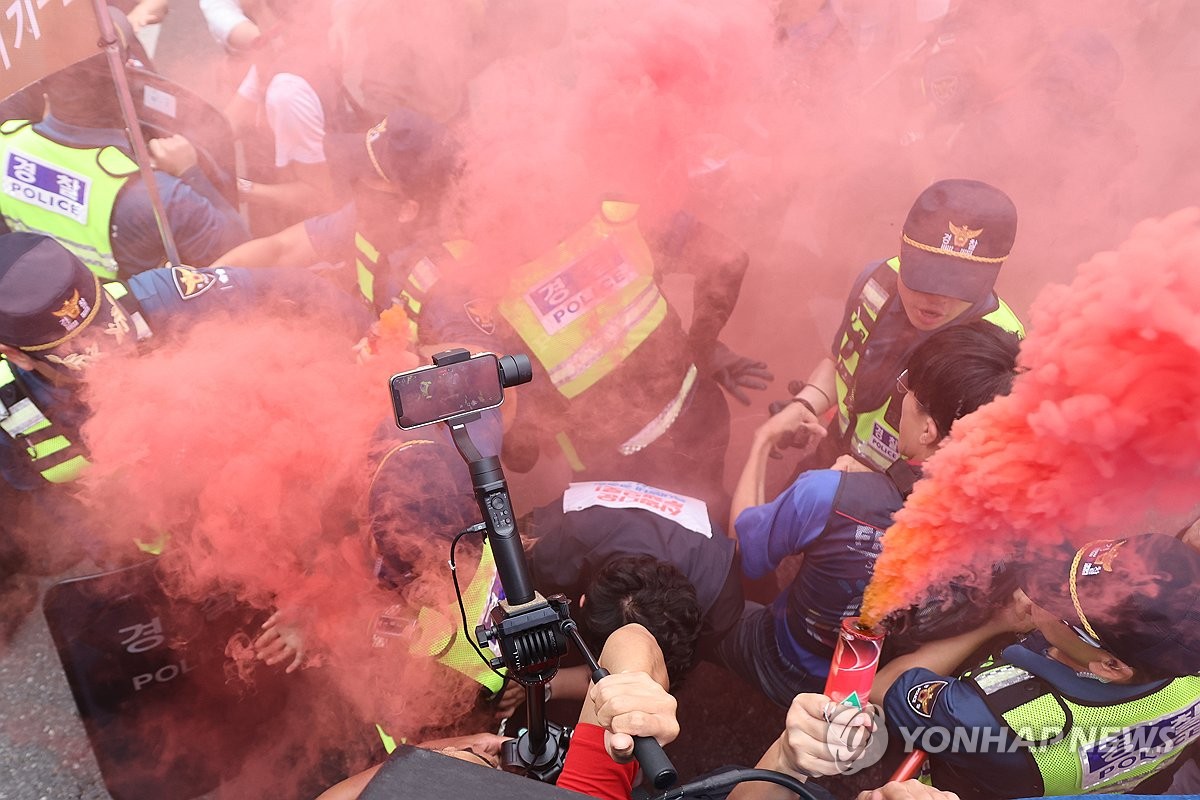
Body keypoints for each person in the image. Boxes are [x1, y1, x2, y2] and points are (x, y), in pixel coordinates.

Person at [721, 322, 1020, 708]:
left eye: (906, 395)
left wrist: (761, 442)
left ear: (928, 429)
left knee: (706, 590)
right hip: (884, 673)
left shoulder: (827, 494)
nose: (900, 403)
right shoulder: (1027, 522)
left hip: (790, 666)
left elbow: (747, 549)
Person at [873, 533, 1200, 799]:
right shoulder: (1185, 657)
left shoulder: (997, 722)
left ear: (1110, 666)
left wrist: (997, 623)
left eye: (1058, 605)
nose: (1032, 596)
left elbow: (882, 688)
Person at [778, 179, 1024, 473]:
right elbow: (840, 364)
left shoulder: (1003, 348)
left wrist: (889, 487)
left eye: (960, 286)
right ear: (904, 250)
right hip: (832, 453)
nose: (936, 301)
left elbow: (980, 478)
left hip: (899, 508)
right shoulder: (878, 281)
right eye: (924, 278)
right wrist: (806, 404)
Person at [212, 108, 461, 343]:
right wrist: (204, 284)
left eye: (368, 180)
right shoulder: (370, 220)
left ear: (407, 209)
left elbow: (481, 369)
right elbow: (281, 249)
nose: (355, 184)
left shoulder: (453, 281)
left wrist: (410, 363)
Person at [0, 54, 250, 280]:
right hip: (126, 313)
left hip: (39, 290)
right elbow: (241, 253)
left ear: (44, 85)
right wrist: (191, 173)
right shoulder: (158, 195)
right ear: (128, 97)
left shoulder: (5, 143)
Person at [511, 479, 743, 706]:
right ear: (582, 600)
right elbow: (500, 565)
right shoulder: (553, 544)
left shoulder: (721, 602)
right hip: (584, 519)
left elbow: (646, 681)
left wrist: (544, 686)